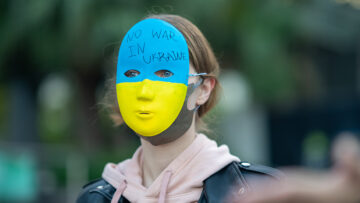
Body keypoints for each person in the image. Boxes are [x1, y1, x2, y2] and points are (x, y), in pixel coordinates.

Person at [76, 14, 282, 203]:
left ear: (203, 90)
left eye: (165, 73)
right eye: (131, 73)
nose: (144, 91)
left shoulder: (258, 193)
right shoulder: (94, 199)